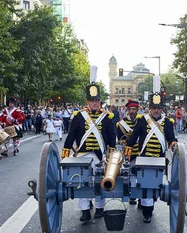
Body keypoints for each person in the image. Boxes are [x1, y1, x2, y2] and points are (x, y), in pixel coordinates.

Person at [61, 75, 116, 222]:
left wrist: (111, 155)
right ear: (87, 102)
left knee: (100, 181)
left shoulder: (106, 117)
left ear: (100, 102)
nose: (94, 103)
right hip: (82, 155)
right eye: (92, 101)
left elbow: (112, 137)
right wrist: (65, 152)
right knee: (82, 182)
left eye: (96, 101)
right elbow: (71, 135)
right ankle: (85, 210)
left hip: (99, 156)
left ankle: (99, 207)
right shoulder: (79, 116)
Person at [126, 91, 177, 223]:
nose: (156, 110)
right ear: (150, 108)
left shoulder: (167, 122)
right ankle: (147, 212)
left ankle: (149, 206)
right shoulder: (143, 120)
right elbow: (135, 136)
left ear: (162, 109)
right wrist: (127, 147)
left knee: (154, 185)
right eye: (154, 108)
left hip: (159, 159)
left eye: (158, 108)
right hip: (144, 158)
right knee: (145, 185)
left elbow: (170, 137)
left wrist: (173, 143)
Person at [117, 100, 140, 205]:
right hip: (128, 152)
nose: (132, 111)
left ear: (137, 110)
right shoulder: (122, 124)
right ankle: (132, 194)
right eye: (130, 109)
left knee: (140, 174)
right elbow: (119, 137)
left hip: (140, 151)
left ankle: (141, 196)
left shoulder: (142, 121)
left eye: (134, 109)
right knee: (129, 174)